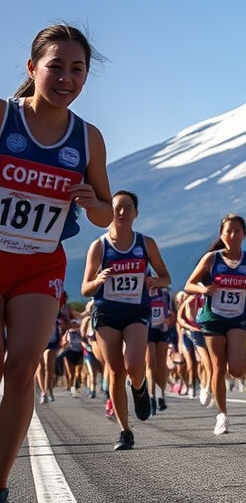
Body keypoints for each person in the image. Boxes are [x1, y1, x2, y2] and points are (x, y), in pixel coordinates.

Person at [0, 25, 113, 503]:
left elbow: (106, 214)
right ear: (32, 69)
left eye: (77, 69)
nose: (66, 78)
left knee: (23, 367)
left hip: (40, 264)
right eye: (56, 66)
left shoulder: (87, 138)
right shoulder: (3, 117)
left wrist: (95, 204)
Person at [82, 189, 172, 448]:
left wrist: (156, 281)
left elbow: (166, 277)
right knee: (114, 372)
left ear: (136, 213)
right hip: (107, 310)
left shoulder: (146, 244)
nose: (121, 212)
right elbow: (85, 288)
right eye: (117, 207)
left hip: (135, 310)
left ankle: (141, 385)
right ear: (110, 211)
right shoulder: (99, 246)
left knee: (133, 365)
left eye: (127, 207)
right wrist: (98, 280)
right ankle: (125, 430)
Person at [183, 214, 246, 435]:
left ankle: (221, 380)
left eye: (237, 231)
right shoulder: (212, 259)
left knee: (236, 369)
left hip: (237, 318)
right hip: (214, 318)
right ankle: (222, 415)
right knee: (218, 366)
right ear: (222, 234)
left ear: (244, 234)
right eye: (228, 231)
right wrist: (203, 289)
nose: (233, 235)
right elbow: (190, 284)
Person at [146, 286, 174, 414]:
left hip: (161, 330)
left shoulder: (163, 293)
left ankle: (161, 395)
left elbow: (169, 313)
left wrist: (167, 322)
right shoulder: (142, 292)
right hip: (147, 330)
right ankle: (151, 397)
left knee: (161, 365)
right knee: (151, 363)